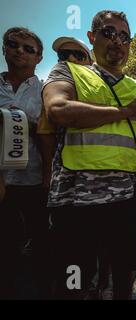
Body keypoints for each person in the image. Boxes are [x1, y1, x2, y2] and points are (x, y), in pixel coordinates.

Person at [42, 10, 136, 300]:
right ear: (92, 38)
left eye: (124, 36)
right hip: (76, 205)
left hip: (127, 206)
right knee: (74, 285)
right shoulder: (69, 72)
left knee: (123, 282)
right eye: (109, 33)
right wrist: (124, 112)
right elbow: (58, 109)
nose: (117, 41)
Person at [0, 27, 50, 299]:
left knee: (40, 245)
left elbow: (51, 136)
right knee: (5, 247)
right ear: (4, 48)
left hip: (33, 181)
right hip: (1, 182)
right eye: (13, 44)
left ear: (38, 58)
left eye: (28, 48)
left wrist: (47, 176)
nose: (20, 51)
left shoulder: (45, 92)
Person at [38, 37, 94, 191]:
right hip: (68, 181)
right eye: (64, 54)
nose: (71, 58)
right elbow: (46, 135)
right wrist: (48, 174)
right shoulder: (54, 88)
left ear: (90, 62)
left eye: (79, 55)